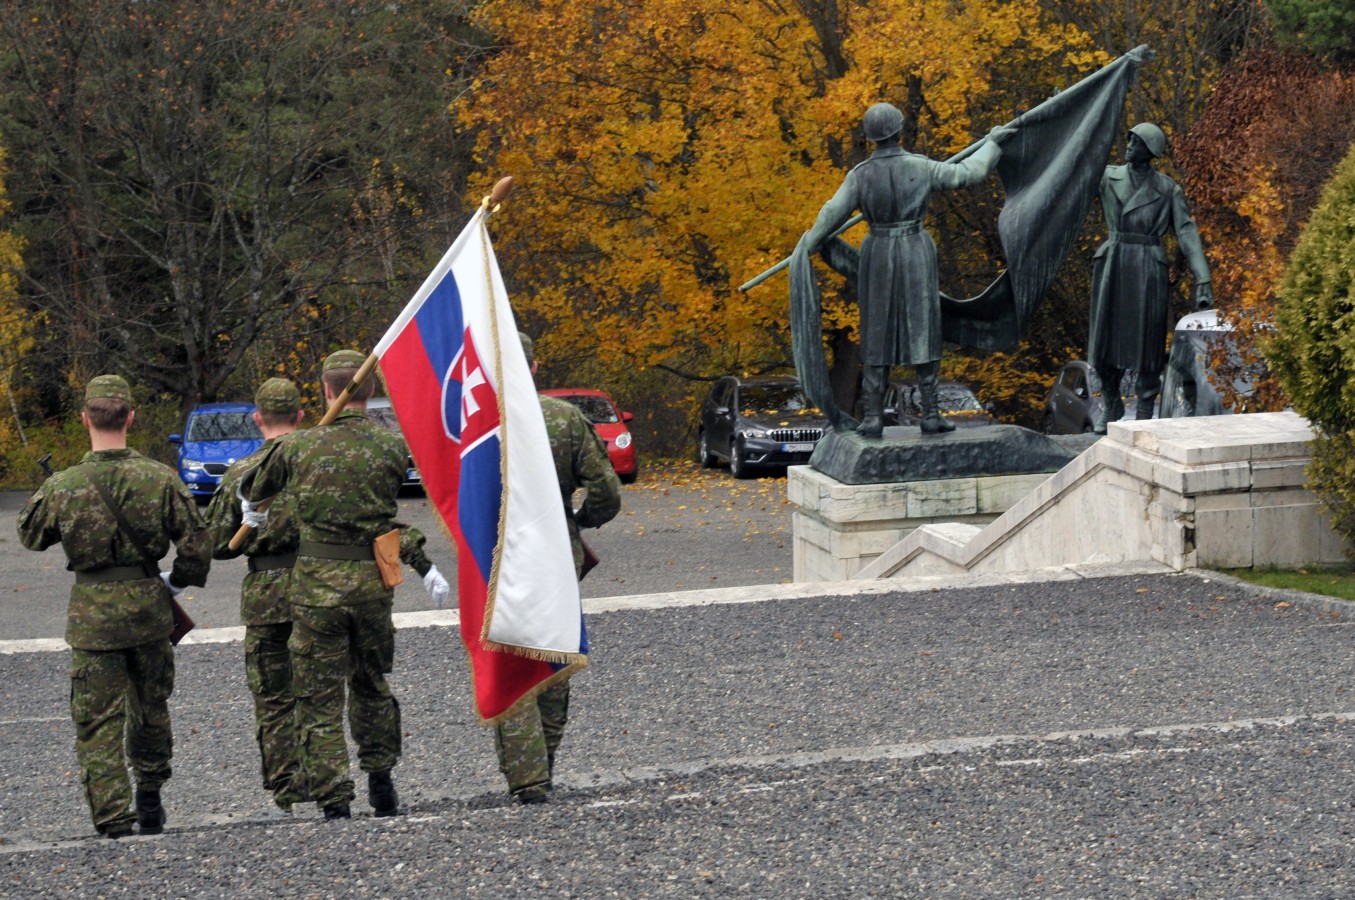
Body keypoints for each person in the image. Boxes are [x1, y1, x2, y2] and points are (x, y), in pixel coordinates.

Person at [244, 351, 449, 820]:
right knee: (371, 683)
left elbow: (257, 490)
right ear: (371, 390)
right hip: (372, 585)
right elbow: (386, 517)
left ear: (325, 391)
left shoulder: (299, 447)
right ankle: (381, 780)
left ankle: (334, 796)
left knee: (318, 697)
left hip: (317, 589)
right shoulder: (390, 447)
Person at [16, 374, 211, 838]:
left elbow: (30, 535)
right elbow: (198, 544)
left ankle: (113, 818)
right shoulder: (160, 478)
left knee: (97, 720)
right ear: (131, 418)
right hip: (149, 612)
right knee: (150, 707)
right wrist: (177, 581)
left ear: (85, 419)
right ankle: (150, 796)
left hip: (94, 618)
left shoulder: (65, 484)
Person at [802, 102, 1015, 438]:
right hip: (915, 251)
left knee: (877, 331)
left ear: (871, 137)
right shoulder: (920, 166)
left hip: (878, 253)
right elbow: (969, 173)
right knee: (923, 328)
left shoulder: (860, 175)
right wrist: (992, 142)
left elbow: (831, 212)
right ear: (899, 130)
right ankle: (930, 414)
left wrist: (811, 241)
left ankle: (873, 417)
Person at [495, 333, 621, 804]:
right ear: (533, 366)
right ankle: (542, 767)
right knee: (552, 656)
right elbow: (607, 492)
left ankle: (526, 776)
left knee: (509, 662)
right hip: (553, 555)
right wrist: (579, 521)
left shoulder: (476, 426)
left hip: (497, 557)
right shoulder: (566, 419)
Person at [204, 377, 307, 811]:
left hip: (267, 594)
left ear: (257, 418)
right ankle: (327, 780)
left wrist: (246, 530)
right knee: (320, 692)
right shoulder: (317, 463)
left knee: (274, 694)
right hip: (319, 585)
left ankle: (288, 784)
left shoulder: (242, 473)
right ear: (300, 415)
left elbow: (215, 543)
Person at [1089, 122, 1213, 433]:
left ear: (1150, 150)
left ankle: (1145, 410)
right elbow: (1073, 177)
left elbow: (1186, 232)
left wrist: (1203, 279)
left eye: (1136, 142)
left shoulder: (1167, 189)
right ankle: (1112, 401)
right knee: (1103, 344)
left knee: (1148, 347)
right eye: (1129, 140)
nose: (1129, 146)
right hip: (1114, 263)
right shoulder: (1107, 177)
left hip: (1148, 268)